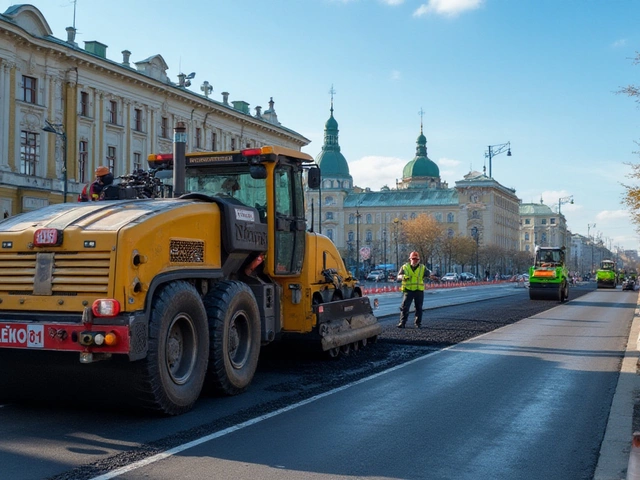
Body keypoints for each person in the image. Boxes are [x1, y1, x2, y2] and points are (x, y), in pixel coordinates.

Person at [396, 251, 430, 328]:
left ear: (419, 260)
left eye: (416, 259)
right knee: (405, 307)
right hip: (408, 290)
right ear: (410, 259)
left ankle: (418, 323)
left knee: (419, 308)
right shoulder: (405, 267)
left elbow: (428, 275)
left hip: (418, 290)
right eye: (413, 259)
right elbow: (398, 276)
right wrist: (403, 277)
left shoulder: (422, 268)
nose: (415, 261)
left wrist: (433, 276)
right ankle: (402, 323)